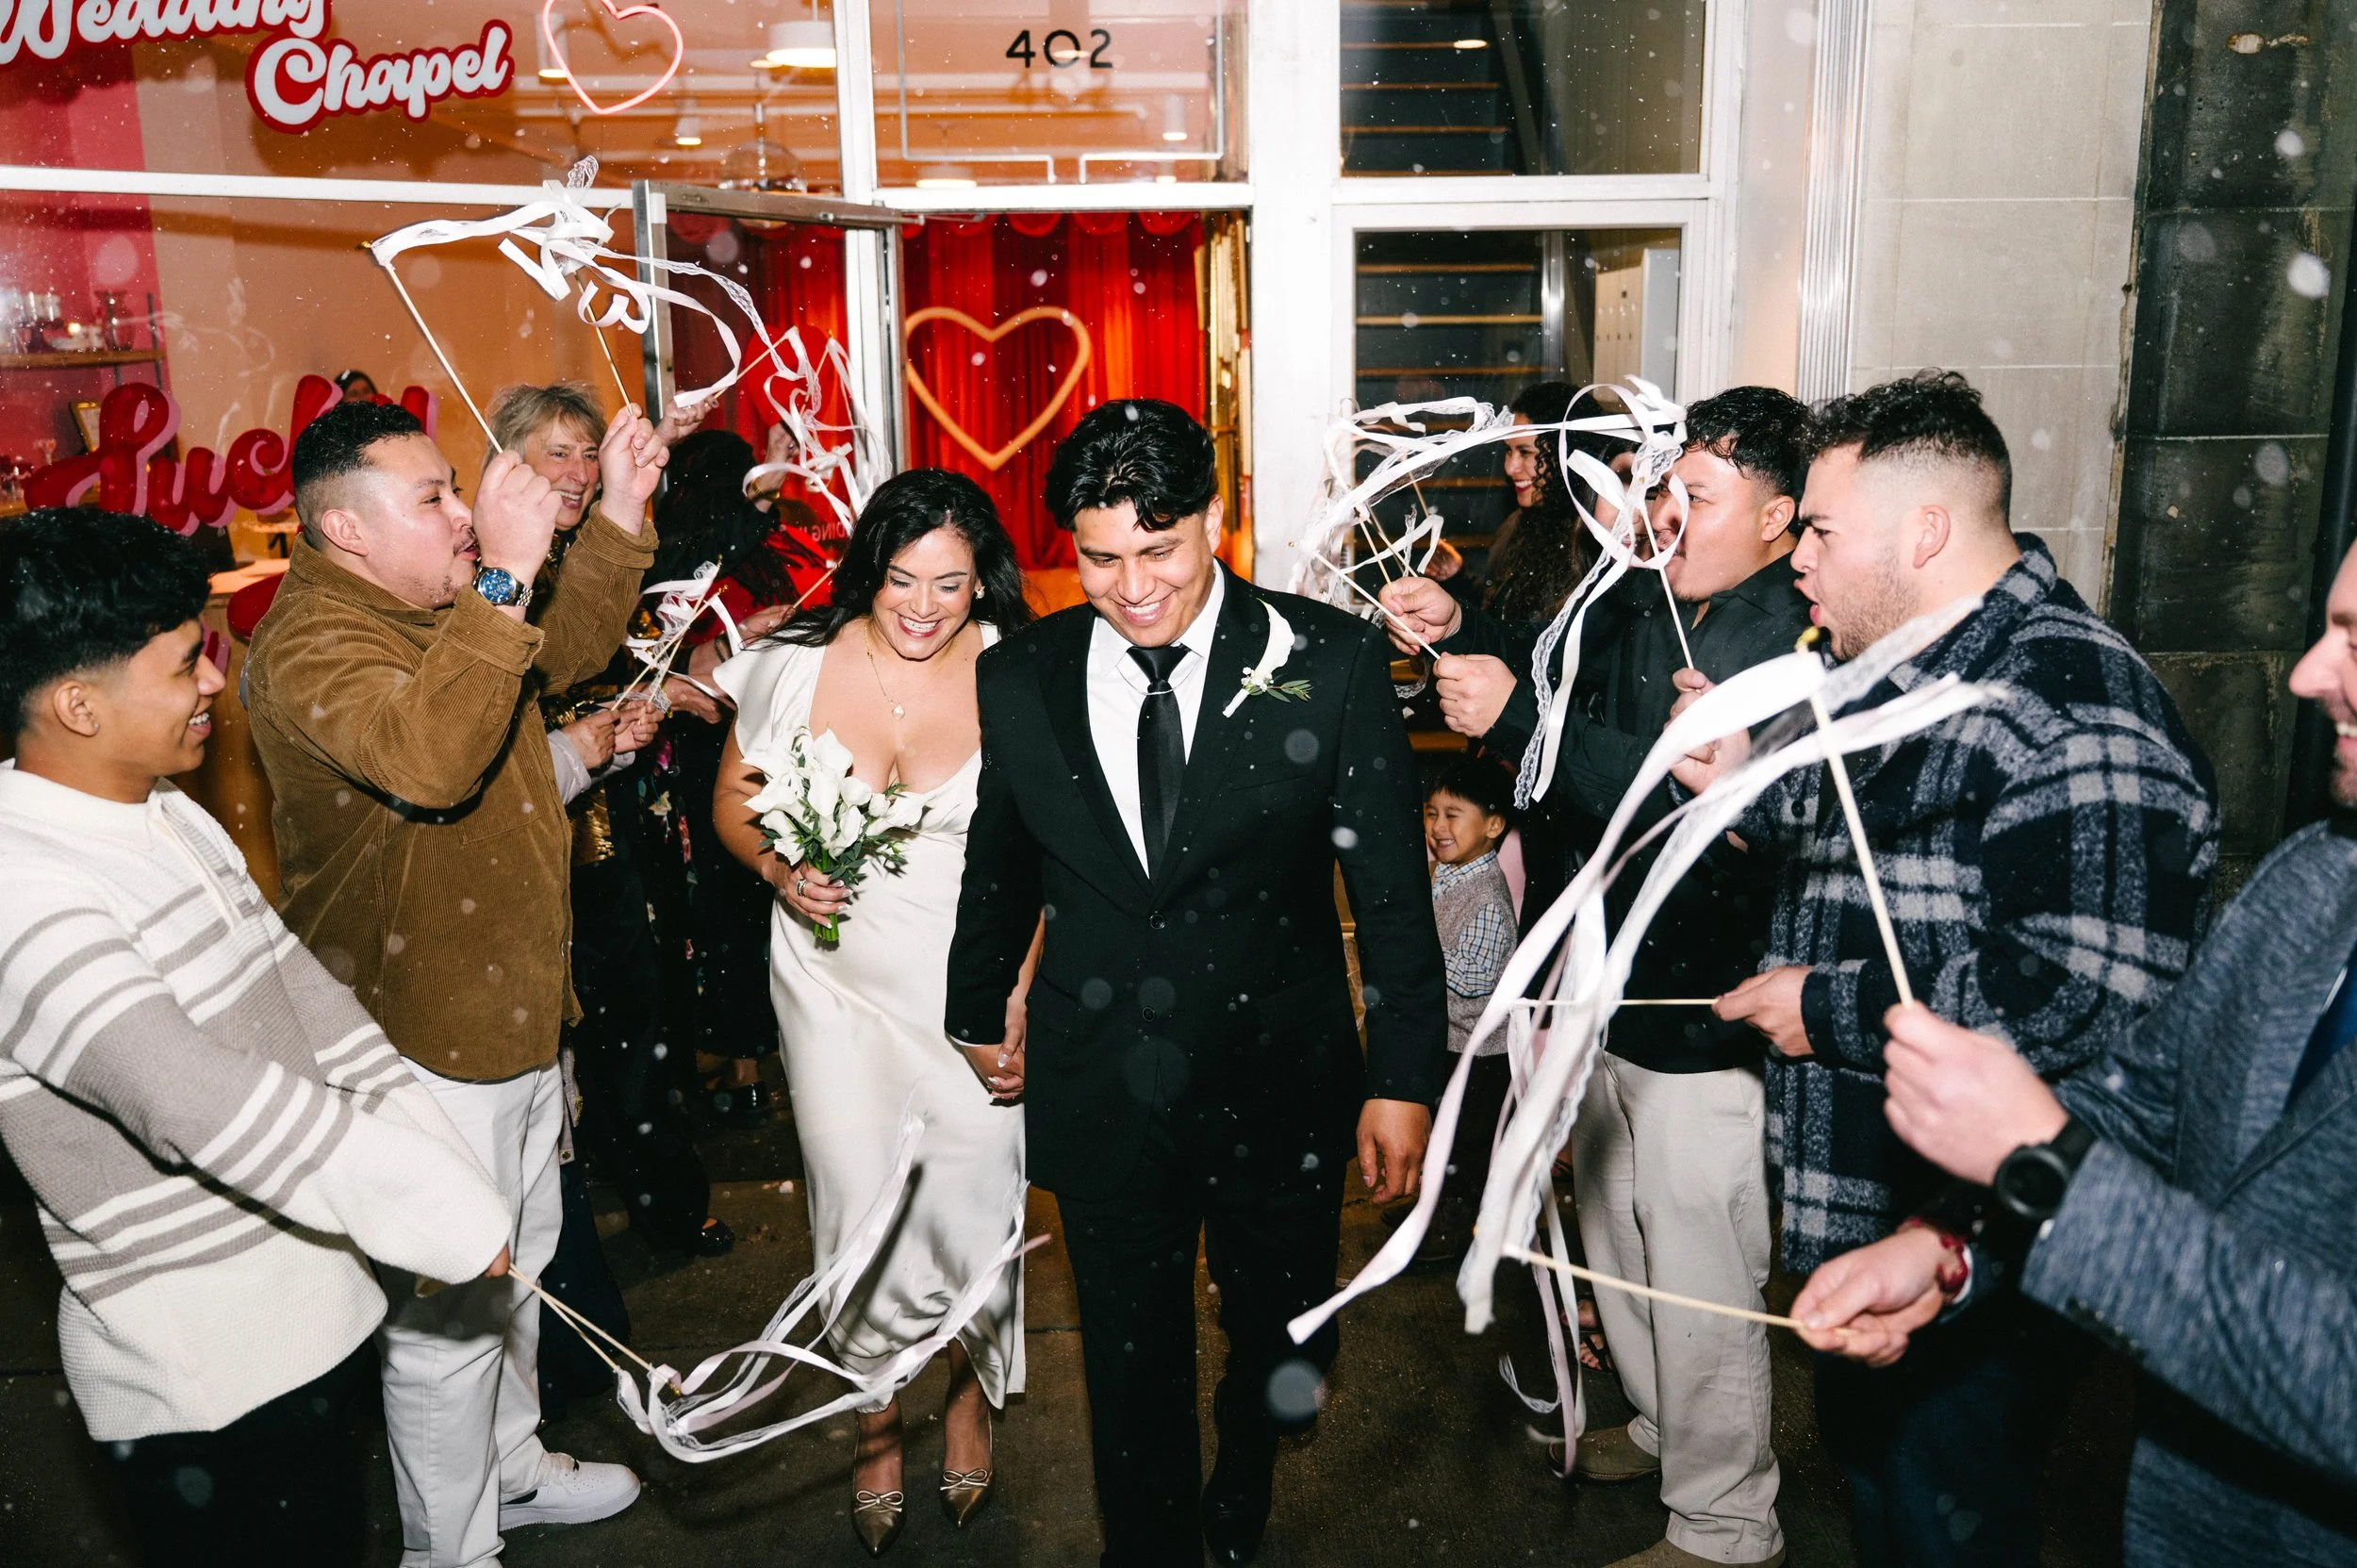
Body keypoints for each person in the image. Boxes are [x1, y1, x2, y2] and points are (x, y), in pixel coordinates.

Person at [1670, 371, 2220, 1566]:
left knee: (1944, 1516)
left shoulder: (2073, 700)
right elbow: (1879, 837)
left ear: (1924, 531)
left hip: (1988, 1247)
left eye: (1818, 528)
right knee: (1884, 1496)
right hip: (1875, 1216)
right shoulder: (1907, 671)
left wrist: (1829, 1008)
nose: (1796, 558)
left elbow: (2082, 990)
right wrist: (1750, 788)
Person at [946, 398, 1448, 1568]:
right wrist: (977, 1003)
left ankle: (1249, 1465)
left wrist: (1404, 1075)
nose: (1131, 587)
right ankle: (1155, 1544)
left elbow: (1389, 897)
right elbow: (1000, 854)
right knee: (1127, 1355)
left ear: (1216, 522)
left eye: (1159, 551)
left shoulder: (1325, 660)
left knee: (1277, 1332)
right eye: (1100, 557)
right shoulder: (1021, 674)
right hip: (1102, 1073)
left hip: (1282, 1072)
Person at [1790, 540, 2357, 1566]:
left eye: (2356, 641)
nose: (2309, 675)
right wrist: (1950, 1247)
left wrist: (2043, 1166)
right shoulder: (2315, 880)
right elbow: (2142, 1108)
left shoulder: (2072, 691)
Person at [0, 510, 513, 1566]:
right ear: (76, 704)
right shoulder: (24, 887)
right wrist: (428, 1207)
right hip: (200, 1374)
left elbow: (310, 1009)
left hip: (311, 1318)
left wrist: (437, 1164)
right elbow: (184, 1094)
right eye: (186, 662)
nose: (211, 684)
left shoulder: (164, 812)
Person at [1387, 386, 1813, 1563]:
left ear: (1780, 518)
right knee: (1617, 1233)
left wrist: (1523, 716)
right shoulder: (1652, 598)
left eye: (1698, 496)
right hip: (1608, 982)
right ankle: (1663, 1426)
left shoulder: (1788, 637)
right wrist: (1458, 613)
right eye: (1668, 488)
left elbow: (1678, 794)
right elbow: (1554, 668)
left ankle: (1728, 1519)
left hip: (1707, 1007)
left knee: (1701, 1261)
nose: (1666, 514)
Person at [243, 396, 665, 1566]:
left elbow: (563, 653)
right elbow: (431, 762)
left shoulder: (431, 602)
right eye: (430, 498)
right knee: (446, 1308)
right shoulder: (314, 643)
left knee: (517, 1273)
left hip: (514, 1005)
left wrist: (621, 514)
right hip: (419, 1027)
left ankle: (514, 1473)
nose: (464, 508)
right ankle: (450, 1545)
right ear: (345, 532)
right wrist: (505, 576)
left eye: (450, 487)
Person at [708, 468, 1034, 1556]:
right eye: (903, 579)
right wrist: (779, 872)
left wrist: (1023, 993)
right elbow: (733, 804)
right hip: (831, 983)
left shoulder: (1016, 671)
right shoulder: (791, 668)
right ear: (868, 570)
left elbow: (1044, 854)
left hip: (969, 983)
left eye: (952, 582)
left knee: (972, 1202)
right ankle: (874, 1416)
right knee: (858, 1205)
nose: (926, 606)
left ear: (980, 578)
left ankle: (966, 1395)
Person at [487, 382, 734, 1263]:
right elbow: (508, 710)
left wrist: (653, 698)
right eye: (559, 452)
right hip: (525, 852)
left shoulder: (575, 549)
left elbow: (593, 668)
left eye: (588, 454)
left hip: (594, 824)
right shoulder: (489, 571)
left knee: (633, 1030)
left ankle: (654, 1206)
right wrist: (632, 707)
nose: (581, 472)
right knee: (590, 1052)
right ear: (503, 462)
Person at [1415, 755, 1518, 1267]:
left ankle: (1451, 1234)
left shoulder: (1484, 894)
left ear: (1493, 825)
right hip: (1452, 1042)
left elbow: (1477, 975)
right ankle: (1432, 1213)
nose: (1437, 827)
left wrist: (1417, 949)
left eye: (1453, 815)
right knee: (1441, 1135)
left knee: (1464, 1148)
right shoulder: (1449, 874)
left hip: (1479, 1053)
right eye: (1432, 813)